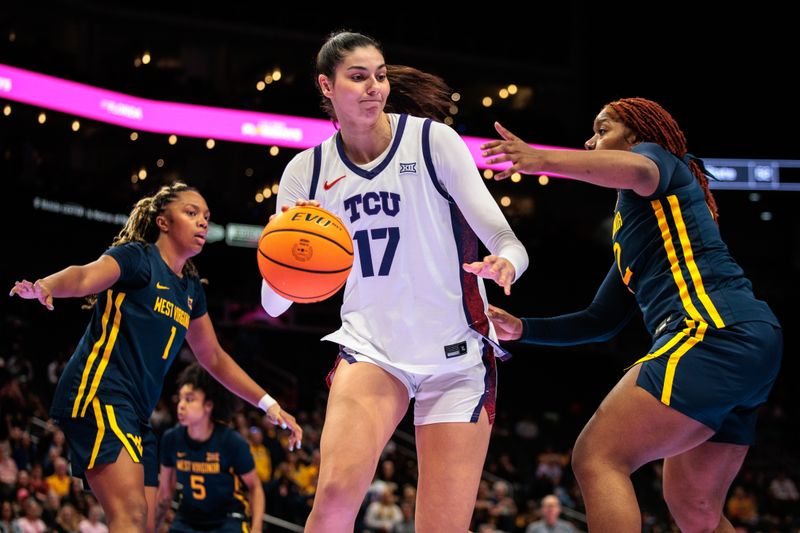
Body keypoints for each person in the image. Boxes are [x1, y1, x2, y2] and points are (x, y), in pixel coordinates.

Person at [260, 31, 528, 532]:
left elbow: (507, 239)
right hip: (372, 349)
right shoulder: (306, 171)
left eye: (379, 75)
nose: (374, 88)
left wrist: (506, 263)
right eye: (358, 77)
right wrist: (290, 246)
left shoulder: (432, 141)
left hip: (457, 356)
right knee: (335, 499)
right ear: (327, 85)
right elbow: (274, 304)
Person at [482, 97, 782, 532]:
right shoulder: (637, 229)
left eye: (603, 129)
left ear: (637, 136)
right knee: (694, 508)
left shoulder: (659, 160)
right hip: (749, 342)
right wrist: (522, 329)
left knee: (597, 456)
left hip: (711, 330)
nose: (590, 141)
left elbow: (639, 170)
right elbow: (598, 320)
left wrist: (539, 158)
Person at [10, 182, 302, 533]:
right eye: (191, 213)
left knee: (146, 525)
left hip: (137, 413)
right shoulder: (138, 258)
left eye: (206, 217)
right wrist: (47, 285)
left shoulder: (190, 288)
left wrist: (268, 403)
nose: (202, 222)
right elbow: (86, 275)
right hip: (98, 393)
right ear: (163, 222)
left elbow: (213, 357)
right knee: (131, 513)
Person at [156, 363, 264, 532]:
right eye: (181, 398)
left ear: (208, 405)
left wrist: (256, 528)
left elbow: (255, 487)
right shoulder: (171, 439)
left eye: (190, 399)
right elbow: (164, 494)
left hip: (227, 520)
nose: (181, 405)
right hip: (187, 520)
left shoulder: (232, 442)